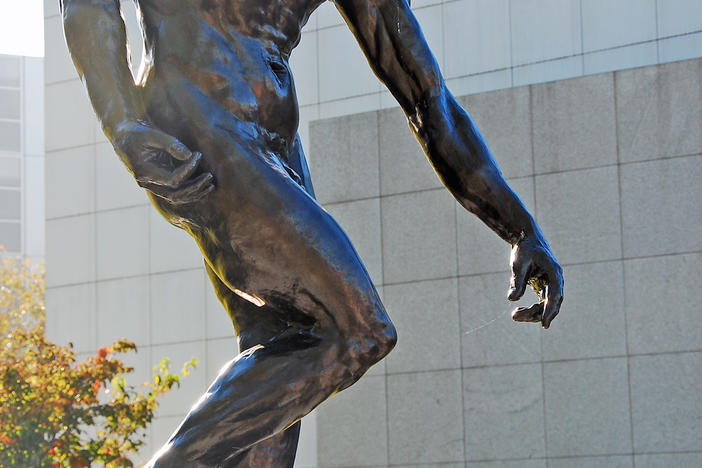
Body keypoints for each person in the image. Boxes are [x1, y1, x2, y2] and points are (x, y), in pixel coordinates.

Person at [61, 0, 564, 465]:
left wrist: (519, 228)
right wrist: (121, 121)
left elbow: (427, 98)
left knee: (284, 355)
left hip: (274, 144)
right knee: (357, 330)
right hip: (195, 123)